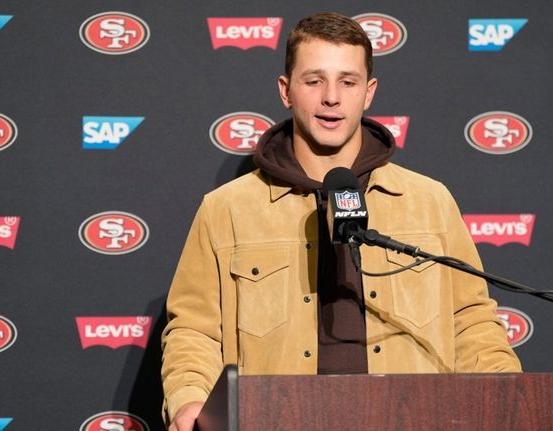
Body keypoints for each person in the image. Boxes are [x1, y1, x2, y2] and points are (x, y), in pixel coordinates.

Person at [161, 12, 521, 431]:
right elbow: (195, 331)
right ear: (286, 91)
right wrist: (189, 401)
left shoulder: (430, 202)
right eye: (314, 81)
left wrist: (508, 399)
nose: (331, 97)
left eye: (347, 82)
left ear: (368, 93)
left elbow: (471, 320)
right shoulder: (226, 209)